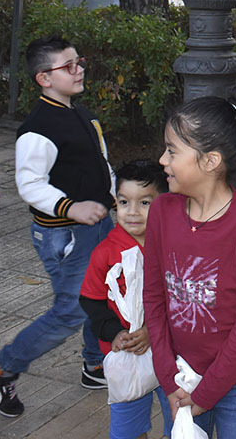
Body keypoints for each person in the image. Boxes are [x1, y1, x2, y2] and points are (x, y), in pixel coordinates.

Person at [0, 35, 116, 418]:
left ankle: (95, 365)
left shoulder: (81, 114)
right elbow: (30, 185)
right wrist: (72, 208)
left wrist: (116, 200)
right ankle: (0, 368)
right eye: (67, 66)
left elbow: (101, 166)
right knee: (72, 309)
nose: (79, 69)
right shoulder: (38, 128)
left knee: (102, 297)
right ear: (43, 78)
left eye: (79, 61)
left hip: (98, 227)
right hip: (66, 235)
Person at [144, 86, 236, 438]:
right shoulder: (160, 211)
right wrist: (167, 375)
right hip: (177, 376)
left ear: (210, 161)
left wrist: (205, 394)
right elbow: (153, 297)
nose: (162, 160)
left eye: (172, 151)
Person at [79, 160, 174, 439]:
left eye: (145, 203)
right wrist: (115, 333)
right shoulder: (106, 253)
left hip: (172, 353)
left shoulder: (173, 246)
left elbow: (183, 299)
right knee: (127, 429)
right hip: (127, 355)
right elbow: (91, 301)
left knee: (181, 422)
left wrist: (152, 332)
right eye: (123, 202)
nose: (132, 212)